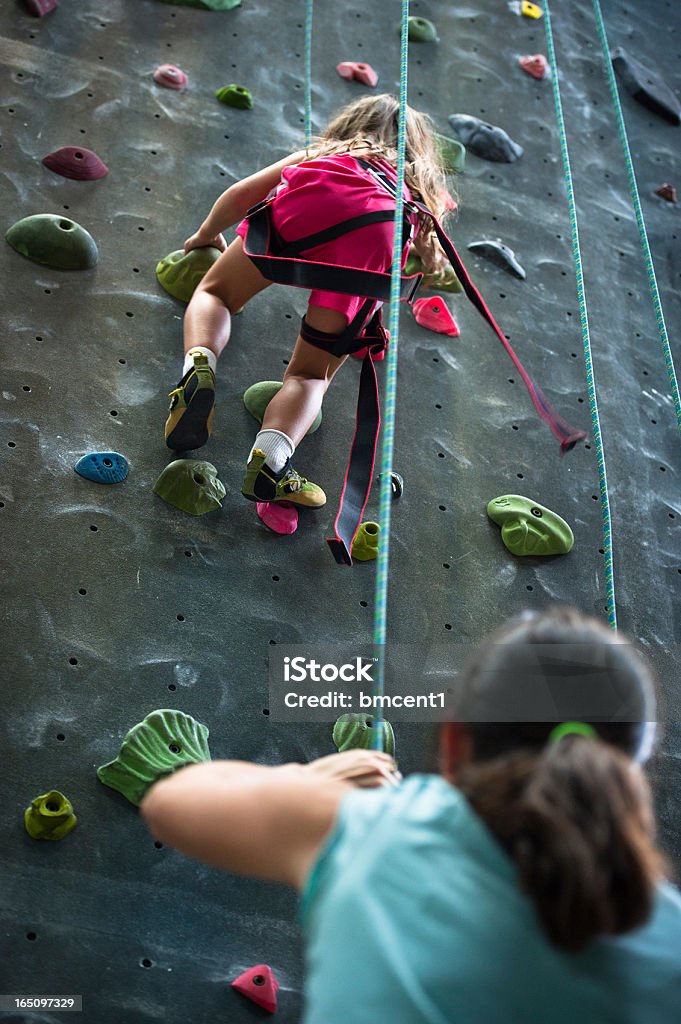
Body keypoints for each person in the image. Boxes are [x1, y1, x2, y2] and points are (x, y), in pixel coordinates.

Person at [140, 607, 681, 1024]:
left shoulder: (379, 830)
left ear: (452, 745)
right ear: (628, 778)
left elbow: (174, 802)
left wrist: (316, 780)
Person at [163, 93, 449, 509]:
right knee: (310, 374)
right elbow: (432, 257)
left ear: (352, 125)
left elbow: (243, 193)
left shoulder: (326, 153)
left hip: (308, 206)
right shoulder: (414, 189)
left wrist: (207, 232)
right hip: (372, 242)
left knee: (216, 294)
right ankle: (271, 463)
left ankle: (199, 365)